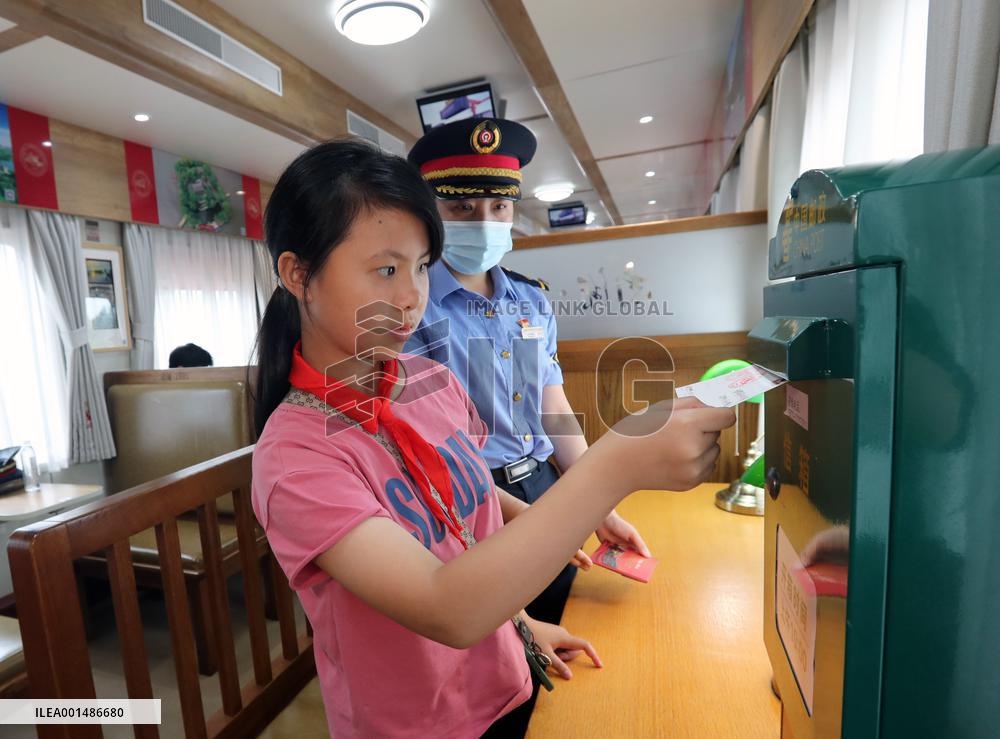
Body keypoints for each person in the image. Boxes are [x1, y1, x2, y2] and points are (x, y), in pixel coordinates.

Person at [251, 138, 734, 738]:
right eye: (386, 269)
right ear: (299, 274)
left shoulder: (428, 379)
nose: (410, 297)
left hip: (503, 677)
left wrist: (520, 629)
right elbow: (444, 605)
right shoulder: (296, 455)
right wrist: (614, 468)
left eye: (422, 266)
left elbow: (467, 501)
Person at [405, 118, 649, 628]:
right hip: (468, 498)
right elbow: (423, 440)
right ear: (430, 212)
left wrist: (596, 503)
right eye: (461, 208)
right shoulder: (413, 304)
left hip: (544, 484)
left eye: (499, 207)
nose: (485, 220)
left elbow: (552, 407)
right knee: (498, 639)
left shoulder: (530, 299)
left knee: (560, 621)